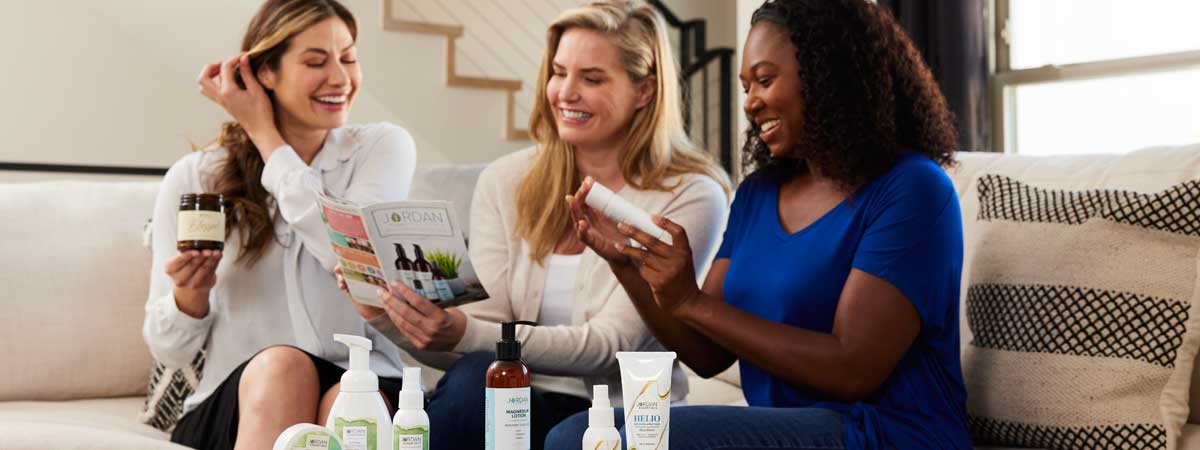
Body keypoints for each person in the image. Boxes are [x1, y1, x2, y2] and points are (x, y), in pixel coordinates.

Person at [549, 0, 970, 448]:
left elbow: (852, 369)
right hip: (785, 424)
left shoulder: (912, 189)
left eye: (765, 80)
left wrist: (691, 300)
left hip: (881, 432)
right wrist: (628, 267)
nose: (750, 103)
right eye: (746, 86)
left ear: (828, 75)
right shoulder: (758, 193)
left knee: (625, 440)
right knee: (573, 434)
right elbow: (707, 356)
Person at [339, 1, 729, 448]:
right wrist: (388, 316)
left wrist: (464, 332)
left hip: (618, 417)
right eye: (559, 73)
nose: (565, 92)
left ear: (645, 91)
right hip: (507, 402)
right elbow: (474, 340)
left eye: (592, 79)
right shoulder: (507, 180)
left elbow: (612, 344)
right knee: (477, 377)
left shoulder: (689, 195)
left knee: (485, 380)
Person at [142, 1, 417, 449]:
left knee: (350, 401)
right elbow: (168, 350)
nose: (340, 78)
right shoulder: (197, 178)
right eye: (316, 62)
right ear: (265, 73)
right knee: (285, 369)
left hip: (363, 378)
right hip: (241, 394)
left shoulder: (382, 148)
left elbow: (354, 257)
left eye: (348, 58)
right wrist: (189, 297)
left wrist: (264, 134)